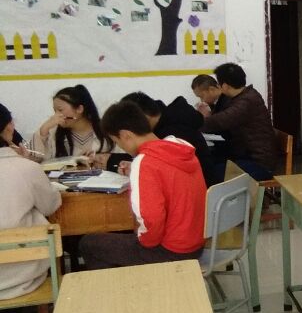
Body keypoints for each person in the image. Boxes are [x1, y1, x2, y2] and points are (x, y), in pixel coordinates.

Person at [78, 101, 207, 270]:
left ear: (126, 135)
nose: (121, 147)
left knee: (89, 244)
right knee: (124, 237)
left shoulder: (144, 162)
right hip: (196, 242)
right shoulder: (180, 146)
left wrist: (142, 241)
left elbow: (152, 220)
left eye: (117, 141)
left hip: (172, 251)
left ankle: (126, 284)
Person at [0, 103, 61, 300]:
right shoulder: (25, 168)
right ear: (9, 127)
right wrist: (25, 162)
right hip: (22, 276)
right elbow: (50, 206)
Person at [200, 63, 276, 182]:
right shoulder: (244, 96)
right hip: (248, 156)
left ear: (225, 85)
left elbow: (222, 120)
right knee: (211, 164)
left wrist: (196, 121)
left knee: (211, 173)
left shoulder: (247, 100)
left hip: (259, 163)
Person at [122, 91, 216, 187]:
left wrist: (135, 169)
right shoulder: (173, 119)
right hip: (203, 186)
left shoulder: (171, 133)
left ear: (144, 116)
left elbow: (163, 173)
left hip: (199, 189)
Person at [29, 84, 112, 165]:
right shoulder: (53, 132)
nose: (56, 115)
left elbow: (117, 159)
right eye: (55, 111)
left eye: (60, 110)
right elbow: (34, 159)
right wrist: (44, 128)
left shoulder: (105, 129)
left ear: (79, 109)